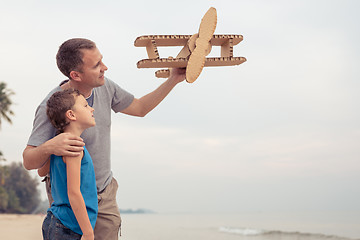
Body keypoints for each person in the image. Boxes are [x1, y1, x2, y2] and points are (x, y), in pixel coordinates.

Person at [22, 38, 186, 240]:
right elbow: (30, 161)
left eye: (102, 61)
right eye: (96, 65)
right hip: (70, 204)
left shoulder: (105, 86)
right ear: (76, 75)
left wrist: (173, 79)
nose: (105, 68)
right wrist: (50, 146)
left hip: (104, 192)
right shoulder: (51, 105)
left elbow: (140, 108)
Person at [40, 89, 97, 240]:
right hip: (68, 227)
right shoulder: (74, 146)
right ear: (71, 115)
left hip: (56, 221)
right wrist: (88, 232)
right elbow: (74, 192)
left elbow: (41, 171)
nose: (91, 108)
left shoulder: (59, 143)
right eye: (85, 106)